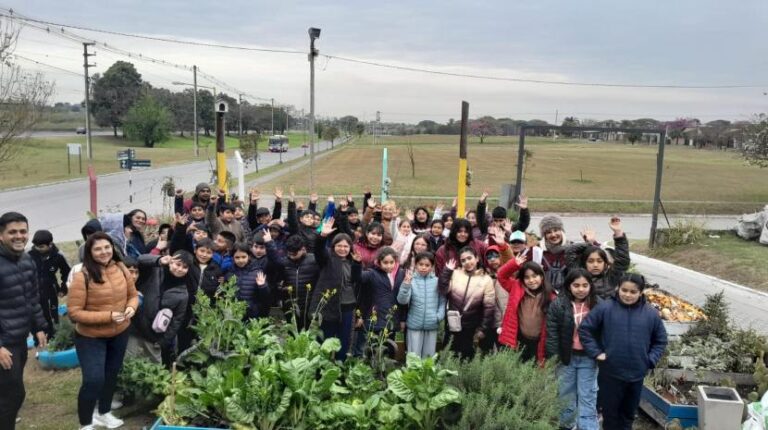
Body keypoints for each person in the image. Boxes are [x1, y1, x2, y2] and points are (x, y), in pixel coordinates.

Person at [68, 232, 139, 430]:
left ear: (113, 248)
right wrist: (107, 316)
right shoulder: (82, 275)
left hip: (119, 332)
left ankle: (104, 412)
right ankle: (86, 422)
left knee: (111, 374)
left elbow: (133, 295)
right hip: (91, 337)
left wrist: (132, 308)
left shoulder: (121, 267)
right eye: (97, 249)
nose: (104, 252)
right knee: (93, 379)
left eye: (107, 247)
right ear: (90, 252)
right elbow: (74, 312)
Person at [579, 273, 668, 430]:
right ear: (617, 288)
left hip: (637, 374)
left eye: (633, 292)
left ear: (641, 292)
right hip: (610, 373)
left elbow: (660, 340)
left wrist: (650, 360)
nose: (628, 295)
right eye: (624, 290)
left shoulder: (650, 314)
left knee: (628, 413)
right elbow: (585, 330)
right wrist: (596, 352)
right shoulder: (605, 308)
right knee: (610, 413)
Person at [0, 212, 48, 430]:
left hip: (19, 339)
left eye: (22, 231)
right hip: (4, 343)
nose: (19, 236)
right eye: (12, 232)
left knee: (10, 394)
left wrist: (38, 326)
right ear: (1, 235)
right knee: (14, 394)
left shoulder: (27, 260)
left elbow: (31, 297)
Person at [546, 269, 602, 430]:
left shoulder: (598, 304)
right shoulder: (559, 304)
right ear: (569, 286)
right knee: (565, 395)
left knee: (587, 395)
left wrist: (601, 353)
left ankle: (587, 426)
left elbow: (606, 331)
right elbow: (552, 333)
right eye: (576, 285)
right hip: (566, 358)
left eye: (585, 285)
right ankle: (567, 425)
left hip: (589, 359)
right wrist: (554, 358)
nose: (581, 289)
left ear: (590, 286)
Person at [309, 219, 361, 361]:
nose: (342, 249)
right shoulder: (327, 259)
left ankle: (340, 367)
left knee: (344, 340)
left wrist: (357, 264)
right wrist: (322, 236)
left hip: (348, 307)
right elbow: (318, 250)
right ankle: (322, 368)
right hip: (330, 306)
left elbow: (357, 281)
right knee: (326, 340)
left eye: (346, 246)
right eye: (339, 246)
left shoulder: (353, 261)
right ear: (333, 247)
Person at [129, 252, 193, 366]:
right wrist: (159, 260)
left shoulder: (183, 293)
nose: (180, 269)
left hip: (154, 337)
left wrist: (163, 342)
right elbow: (141, 259)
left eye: (185, 267)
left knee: (151, 370)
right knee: (129, 365)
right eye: (177, 264)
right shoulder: (154, 271)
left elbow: (177, 320)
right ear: (170, 261)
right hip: (134, 329)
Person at [438, 247, 495, 360]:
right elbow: (443, 289)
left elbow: (489, 307)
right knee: (448, 357)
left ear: (477, 258)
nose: (467, 262)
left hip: (471, 327)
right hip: (452, 325)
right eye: (463, 260)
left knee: (467, 359)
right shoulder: (455, 274)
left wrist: (483, 329)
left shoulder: (486, 279)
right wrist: (447, 271)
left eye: (469, 258)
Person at [496, 256, 555, 363]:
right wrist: (514, 264)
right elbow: (501, 276)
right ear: (522, 280)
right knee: (518, 369)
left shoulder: (551, 296)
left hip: (539, 342)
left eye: (534, 276)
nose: (531, 280)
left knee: (535, 370)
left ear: (542, 276)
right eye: (527, 277)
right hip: (520, 339)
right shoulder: (517, 288)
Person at [265, 233, 319, 331]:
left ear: (303, 249)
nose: (291, 256)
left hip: (309, 305)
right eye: (289, 254)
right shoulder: (285, 262)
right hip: (291, 306)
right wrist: (269, 242)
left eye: (294, 254)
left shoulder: (314, 260)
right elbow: (275, 259)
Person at [566, 217, 630, 299]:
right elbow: (570, 252)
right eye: (590, 261)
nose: (595, 265)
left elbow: (622, 261)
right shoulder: (576, 274)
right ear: (584, 263)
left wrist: (618, 233)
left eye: (599, 261)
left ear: (605, 263)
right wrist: (589, 243)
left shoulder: (611, 278)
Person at [397, 252, 445, 357]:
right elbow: (402, 301)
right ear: (416, 265)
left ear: (432, 266)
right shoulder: (411, 280)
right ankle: (413, 373)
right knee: (413, 356)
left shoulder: (437, 281)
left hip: (432, 323)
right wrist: (406, 284)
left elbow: (442, 302)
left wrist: (438, 316)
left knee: (428, 357)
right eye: (421, 264)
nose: (423, 267)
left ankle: (426, 374)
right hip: (414, 324)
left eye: (427, 265)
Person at [28, 229, 71, 341]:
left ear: (50, 244)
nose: (38, 249)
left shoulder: (58, 256)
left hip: (51, 292)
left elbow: (67, 273)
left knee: (53, 316)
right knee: (38, 318)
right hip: (34, 294)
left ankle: (56, 339)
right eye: (36, 246)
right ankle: (39, 341)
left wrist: (63, 288)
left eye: (41, 246)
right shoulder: (29, 256)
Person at [227, 242, 270, 320]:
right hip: (234, 313)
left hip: (252, 314)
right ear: (233, 257)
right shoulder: (229, 273)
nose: (240, 260)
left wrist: (262, 286)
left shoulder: (257, 272)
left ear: (249, 256)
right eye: (237, 257)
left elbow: (266, 297)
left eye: (244, 257)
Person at [539, 214, 572, 293]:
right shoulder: (538, 251)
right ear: (544, 236)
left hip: (568, 296)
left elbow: (598, 256)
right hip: (545, 297)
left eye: (556, 230)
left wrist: (591, 242)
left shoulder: (573, 249)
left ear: (562, 231)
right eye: (549, 232)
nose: (553, 235)